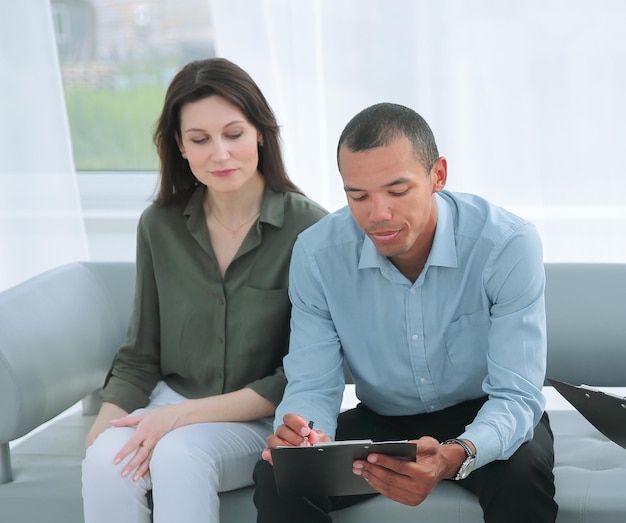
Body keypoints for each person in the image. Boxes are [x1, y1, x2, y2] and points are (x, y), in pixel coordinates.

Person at [253, 102, 558, 522]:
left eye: (397, 191)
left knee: (521, 479)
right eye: (358, 196)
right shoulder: (317, 254)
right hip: (384, 423)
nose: (378, 215)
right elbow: (312, 382)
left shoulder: (506, 244)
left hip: (484, 411)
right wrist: (307, 436)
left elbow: (517, 394)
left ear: (438, 176)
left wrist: (458, 453)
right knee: (280, 477)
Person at [81, 57, 326, 523]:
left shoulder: (311, 229)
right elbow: (139, 355)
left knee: (178, 455)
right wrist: (102, 428)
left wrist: (179, 418)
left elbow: (296, 375)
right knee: (103, 463)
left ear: (260, 132)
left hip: (257, 418)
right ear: (180, 146)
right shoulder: (160, 225)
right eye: (200, 139)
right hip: (169, 401)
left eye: (233, 134)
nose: (220, 153)